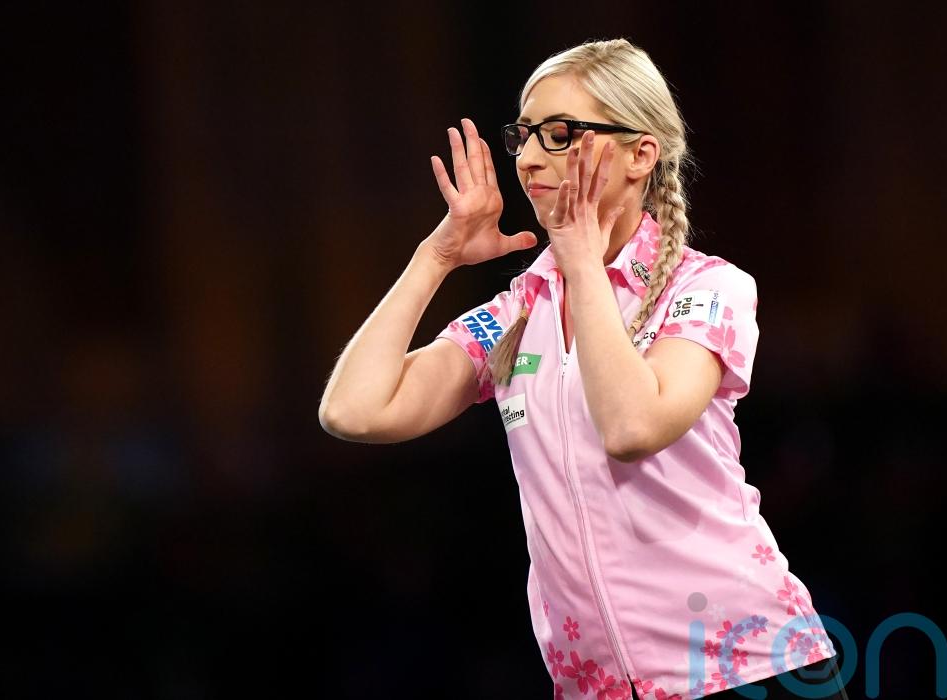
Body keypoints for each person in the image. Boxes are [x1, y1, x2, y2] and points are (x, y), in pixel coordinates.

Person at [319, 39, 848, 700]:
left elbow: (632, 427)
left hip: (747, 667)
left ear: (641, 154)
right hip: (596, 688)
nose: (529, 158)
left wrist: (580, 263)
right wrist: (438, 255)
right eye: (524, 135)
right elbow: (354, 410)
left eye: (561, 134)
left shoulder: (707, 288)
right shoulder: (517, 313)